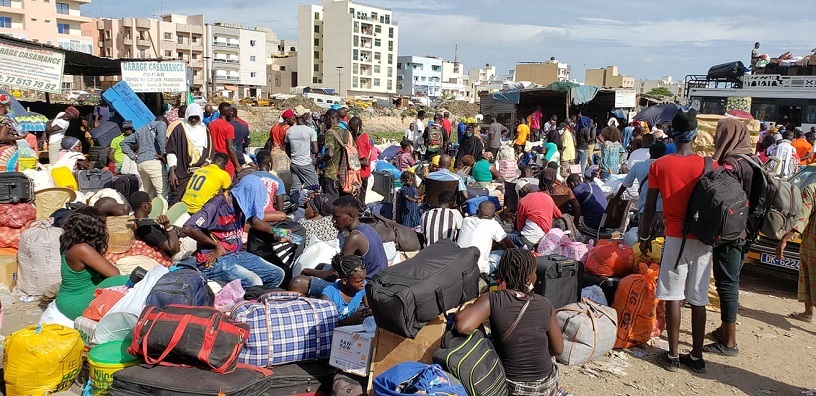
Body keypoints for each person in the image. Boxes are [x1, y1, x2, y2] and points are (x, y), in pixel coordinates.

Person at [639, 108, 711, 373]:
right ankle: (697, 356)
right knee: (699, 298)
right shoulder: (706, 164)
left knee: (673, 297)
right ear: (694, 136)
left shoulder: (660, 165)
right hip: (703, 239)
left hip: (674, 237)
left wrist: (645, 236)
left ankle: (672, 356)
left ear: (673, 134)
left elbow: (649, 206)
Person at [454, 249, 564, 396]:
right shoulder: (545, 303)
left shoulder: (493, 299)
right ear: (530, 275)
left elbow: (462, 326)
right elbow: (558, 350)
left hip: (512, 387)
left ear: (502, 273)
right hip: (546, 386)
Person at [705, 118, 763, 357]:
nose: (717, 138)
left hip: (731, 234)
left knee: (726, 284)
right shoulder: (754, 160)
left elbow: (719, 198)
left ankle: (729, 342)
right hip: (748, 231)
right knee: (733, 280)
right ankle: (724, 329)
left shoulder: (731, 164)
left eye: (720, 134)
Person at [181, 174, 286, 289]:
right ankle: (244, 303)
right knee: (253, 281)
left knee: (277, 274)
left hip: (235, 255)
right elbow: (188, 227)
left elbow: (254, 220)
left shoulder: (241, 206)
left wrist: (276, 231)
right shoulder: (216, 205)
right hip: (215, 259)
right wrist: (216, 245)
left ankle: (257, 299)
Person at [290, 196, 388, 296]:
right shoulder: (366, 228)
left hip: (364, 288)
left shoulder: (354, 238)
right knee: (320, 266)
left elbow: (334, 274)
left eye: (336, 217)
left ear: (350, 215)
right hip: (374, 280)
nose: (333, 221)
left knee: (297, 283)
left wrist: (307, 271)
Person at [47, 206, 126, 324]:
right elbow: (115, 275)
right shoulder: (81, 249)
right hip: (75, 301)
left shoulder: (71, 244)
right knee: (124, 280)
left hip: (73, 297)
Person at [776, 183, 816, 323]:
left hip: (812, 244)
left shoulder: (813, 189)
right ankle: (808, 313)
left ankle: (808, 313)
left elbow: (802, 219)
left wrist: (786, 239)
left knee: (808, 275)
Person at [166, 103, 214, 203]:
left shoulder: (205, 131)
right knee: (177, 202)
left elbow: (210, 153)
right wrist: (172, 172)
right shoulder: (179, 129)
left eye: (196, 117)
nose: (193, 120)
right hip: (182, 174)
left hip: (200, 176)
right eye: (191, 117)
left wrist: (204, 165)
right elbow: (171, 152)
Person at [457, 200, 515, 274]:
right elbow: (510, 246)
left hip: (459, 265)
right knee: (504, 253)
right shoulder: (493, 224)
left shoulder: (466, 221)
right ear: (494, 215)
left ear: (477, 211)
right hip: (479, 269)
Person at [120, 116, 169, 199]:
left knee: (146, 193)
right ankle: (162, 211)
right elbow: (161, 140)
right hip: (154, 162)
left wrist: (134, 157)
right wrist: (164, 155)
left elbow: (123, 143)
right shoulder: (161, 124)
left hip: (141, 164)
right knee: (163, 192)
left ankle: (142, 210)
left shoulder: (141, 130)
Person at [619, 140, 666, 221]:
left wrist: (616, 197)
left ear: (650, 152)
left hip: (643, 209)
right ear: (663, 154)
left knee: (643, 233)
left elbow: (625, 184)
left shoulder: (638, 166)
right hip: (662, 209)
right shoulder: (666, 168)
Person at [322, 254, 371, 326]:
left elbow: (369, 305)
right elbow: (326, 324)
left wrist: (369, 311)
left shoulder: (362, 287)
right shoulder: (329, 294)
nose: (363, 284)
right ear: (344, 280)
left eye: (364, 280)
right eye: (358, 282)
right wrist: (349, 320)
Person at [129, 191, 182, 258]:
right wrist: (168, 226)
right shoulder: (148, 229)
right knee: (188, 223)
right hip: (174, 254)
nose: (151, 205)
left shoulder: (136, 219)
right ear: (145, 206)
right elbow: (175, 249)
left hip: (168, 237)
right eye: (150, 203)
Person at [515, 179, 562, 249]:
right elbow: (559, 215)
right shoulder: (547, 197)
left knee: (507, 237)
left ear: (521, 192)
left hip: (527, 240)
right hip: (546, 239)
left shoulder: (523, 201)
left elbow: (520, 227)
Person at [286, 105, 319, 201]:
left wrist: (294, 157)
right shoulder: (310, 131)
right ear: (303, 116)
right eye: (306, 114)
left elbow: (287, 149)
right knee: (315, 186)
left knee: (296, 187)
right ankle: (313, 207)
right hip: (305, 164)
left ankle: (294, 206)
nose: (308, 116)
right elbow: (315, 150)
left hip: (294, 164)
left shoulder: (289, 131)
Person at [317, 109, 352, 198]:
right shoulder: (346, 132)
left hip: (332, 174)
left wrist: (319, 161)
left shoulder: (330, 132)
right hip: (345, 174)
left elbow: (330, 153)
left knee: (332, 204)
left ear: (328, 118)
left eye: (325, 119)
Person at [208, 103, 240, 178]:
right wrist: (238, 165)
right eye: (230, 111)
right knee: (227, 184)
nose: (232, 113)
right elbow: (230, 148)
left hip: (214, 159)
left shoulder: (211, 124)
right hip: (226, 161)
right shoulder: (229, 127)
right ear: (226, 112)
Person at [0, 93, 29, 171]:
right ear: (5, 106)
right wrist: (20, 137)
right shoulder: (6, 120)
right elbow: (2, 137)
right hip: (5, 152)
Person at [254, 150, 287, 214]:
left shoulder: (249, 178)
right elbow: (280, 208)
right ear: (270, 164)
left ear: (257, 163)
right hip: (270, 216)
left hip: (253, 216)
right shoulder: (278, 181)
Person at [351, 116, 372, 203]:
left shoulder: (360, 140)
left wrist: (351, 162)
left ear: (359, 127)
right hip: (364, 174)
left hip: (361, 174)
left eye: (353, 130)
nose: (351, 132)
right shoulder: (365, 136)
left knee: (359, 200)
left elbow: (365, 162)